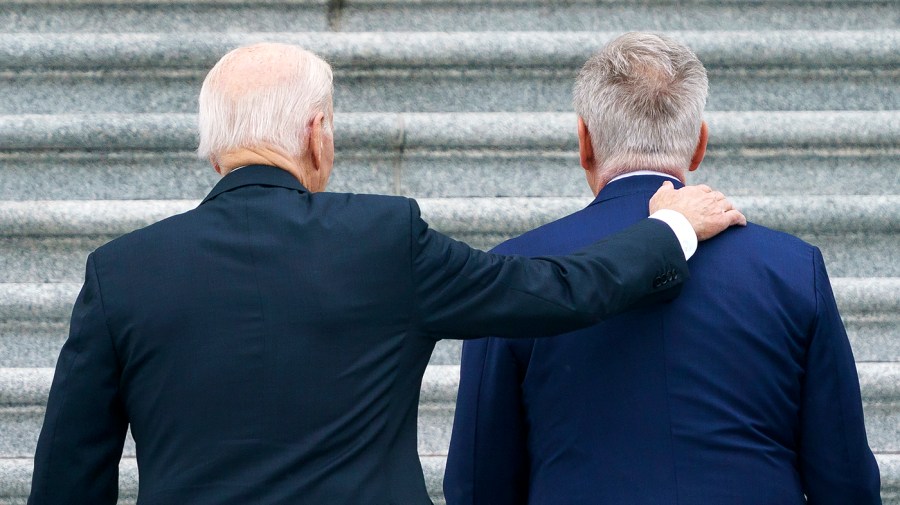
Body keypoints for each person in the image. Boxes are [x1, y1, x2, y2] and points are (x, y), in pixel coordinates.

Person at [27, 43, 743, 505]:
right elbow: (558, 289)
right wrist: (670, 228)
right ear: (317, 134)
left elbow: (66, 478)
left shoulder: (120, 272)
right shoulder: (382, 239)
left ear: (215, 149)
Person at [444, 32, 881, 505]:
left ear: (584, 141)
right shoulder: (795, 269)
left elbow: (477, 482)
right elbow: (846, 481)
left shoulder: (515, 270)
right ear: (699, 144)